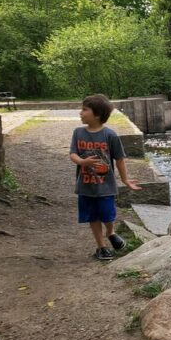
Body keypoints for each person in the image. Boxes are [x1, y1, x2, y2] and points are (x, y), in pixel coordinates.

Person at [69, 94, 141, 260]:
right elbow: (73, 154)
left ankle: (110, 232)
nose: (80, 113)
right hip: (85, 186)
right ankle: (101, 247)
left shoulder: (110, 135)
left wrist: (125, 180)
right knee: (93, 216)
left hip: (106, 186)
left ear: (97, 114)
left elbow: (119, 159)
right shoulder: (78, 133)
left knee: (107, 215)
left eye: (84, 110)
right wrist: (82, 161)